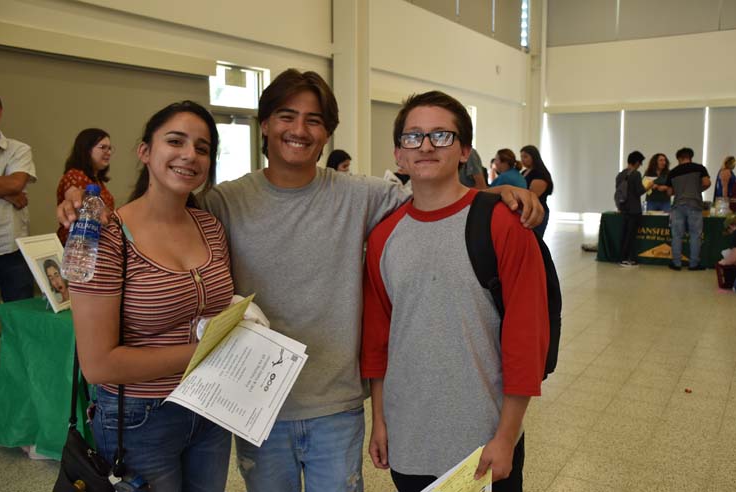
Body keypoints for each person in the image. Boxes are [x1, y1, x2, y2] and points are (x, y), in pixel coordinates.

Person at [58, 69, 544, 492]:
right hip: (252, 406)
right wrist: (84, 203)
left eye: (314, 120)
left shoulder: (364, 197)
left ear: (327, 132)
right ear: (265, 124)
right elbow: (158, 208)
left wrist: (497, 193)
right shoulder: (223, 204)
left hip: (336, 405)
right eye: (286, 116)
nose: (299, 129)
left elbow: (435, 195)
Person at [361, 91, 548, 492]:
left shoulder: (504, 226)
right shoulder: (383, 237)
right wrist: (380, 420)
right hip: (408, 438)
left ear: (464, 151)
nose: (426, 146)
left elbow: (526, 338)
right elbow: (379, 339)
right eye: (413, 137)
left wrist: (506, 436)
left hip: (482, 441)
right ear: (398, 154)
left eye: (441, 136)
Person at [69, 101, 235, 492]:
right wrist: (208, 350)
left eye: (203, 148)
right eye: (175, 141)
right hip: (139, 419)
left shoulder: (210, 226)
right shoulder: (106, 236)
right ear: (145, 152)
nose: (189, 155)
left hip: (210, 406)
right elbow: (97, 365)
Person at [0, 95, 37, 302]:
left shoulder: (18, 149)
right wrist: (7, 193)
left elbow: (16, 184)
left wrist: (10, 189)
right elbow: (10, 187)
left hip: (12, 248)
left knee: (20, 317)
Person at [56, 128, 116, 244]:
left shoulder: (98, 181)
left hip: (96, 243)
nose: (108, 152)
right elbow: (76, 206)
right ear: (86, 149)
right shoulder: (74, 175)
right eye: (103, 147)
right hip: (78, 244)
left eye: (109, 148)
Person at [666, 147, 711, 271]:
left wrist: (680, 191)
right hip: (695, 204)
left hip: (678, 206)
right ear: (690, 157)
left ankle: (676, 263)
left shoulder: (673, 172)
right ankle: (694, 264)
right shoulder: (700, 168)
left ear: (679, 158)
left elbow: (669, 192)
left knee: (677, 235)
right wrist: (697, 190)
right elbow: (707, 183)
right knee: (695, 235)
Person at [615, 151, 649, 267]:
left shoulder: (620, 175)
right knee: (630, 236)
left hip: (623, 208)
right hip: (634, 210)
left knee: (624, 235)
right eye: (640, 163)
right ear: (637, 162)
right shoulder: (636, 174)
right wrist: (648, 186)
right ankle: (626, 259)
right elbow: (638, 191)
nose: (640, 165)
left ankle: (621, 257)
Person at [520, 144, 554, 237]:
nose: (523, 159)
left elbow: (532, 195)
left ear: (534, 157)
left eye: (525, 156)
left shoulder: (540, 173)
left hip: (537, 212)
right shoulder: (523, 172)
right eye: (521, 157)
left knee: (536, 241)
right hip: (526, 211)